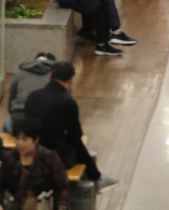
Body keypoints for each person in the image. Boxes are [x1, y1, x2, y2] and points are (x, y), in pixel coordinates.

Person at [25, 62, 119, 193]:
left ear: (50, 76)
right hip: (57, 158)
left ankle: (97, 177)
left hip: (32, 152)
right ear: (71, 80)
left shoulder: (32, 96)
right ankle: (96, 178)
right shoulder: (67, 101)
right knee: (76, 143)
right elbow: (76, 133)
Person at [5, 53, 56, 133]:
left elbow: (11, 100)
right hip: (46, 124)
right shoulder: (58, 76)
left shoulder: (19, 73)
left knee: (6, 125)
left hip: (19, 119)